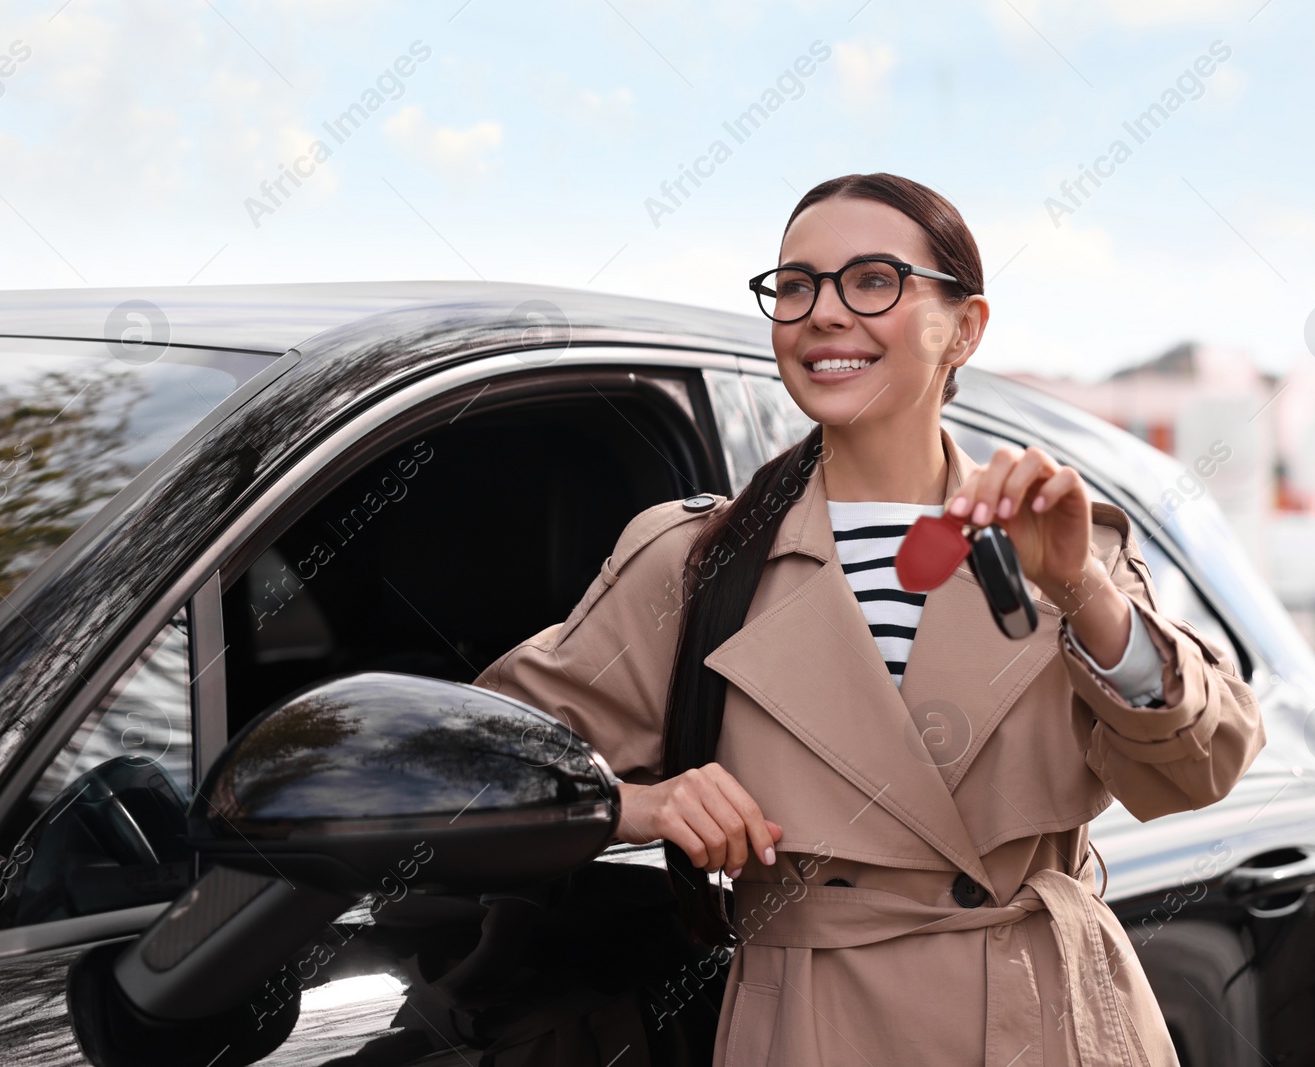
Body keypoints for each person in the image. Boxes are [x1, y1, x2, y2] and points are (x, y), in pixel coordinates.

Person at [473, 172, 1266, 1066]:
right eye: (797, 285)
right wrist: (641, 802)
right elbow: (479, 767)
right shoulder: (694, 560)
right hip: (816, 1025)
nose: (824, 312)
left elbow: (1207, 763)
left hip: (1050, 1022)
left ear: (963, 327)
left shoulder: (1057, 535)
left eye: (874, 280)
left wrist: (1080, 584)